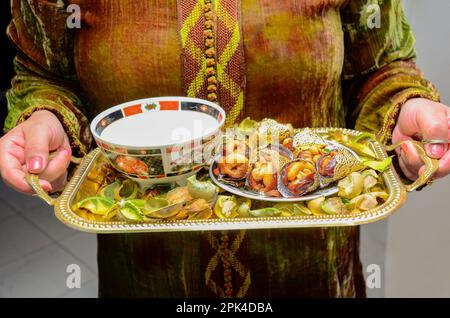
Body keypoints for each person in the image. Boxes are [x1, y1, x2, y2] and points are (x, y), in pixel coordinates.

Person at [1, 0, 449, 297]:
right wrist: (45, 117)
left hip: (311, 274)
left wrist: (404, 105)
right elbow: (45, 72)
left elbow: (378, 67)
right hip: (150, 275)